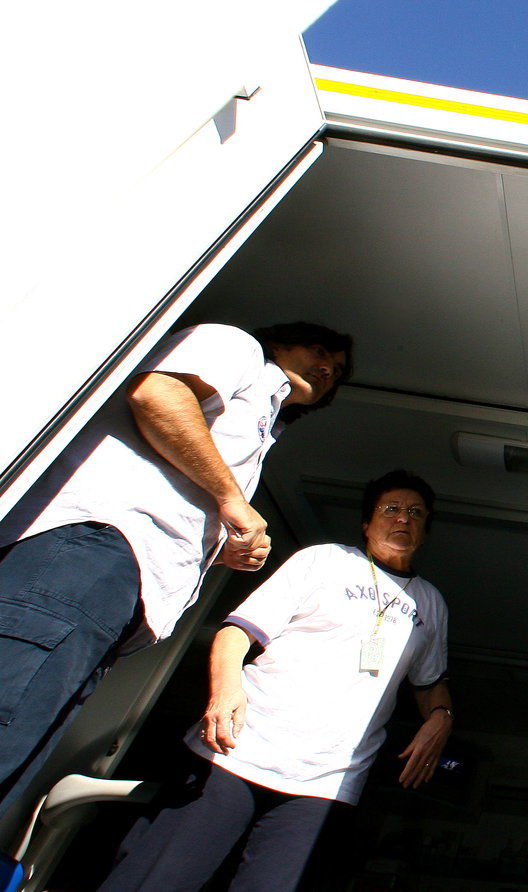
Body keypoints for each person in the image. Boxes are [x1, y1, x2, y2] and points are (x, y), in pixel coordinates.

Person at [0, 321, 352, 821]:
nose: (326, 369)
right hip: (92, 552)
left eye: (337, 370)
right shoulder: (239, 349)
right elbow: (158, 394)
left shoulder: (264, 422)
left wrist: (220, 547)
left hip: (118, 585)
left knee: (21, 741)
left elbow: (184, 496)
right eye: (319, 351)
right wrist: (232, 500)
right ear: (279, 343)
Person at [97, 469, 452, 892]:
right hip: (237, 750)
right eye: (391, 508)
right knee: (159, 879)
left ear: (425, 531)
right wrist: (224, 692)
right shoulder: (324, 561)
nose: (403, 519)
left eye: (416, 513)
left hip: (328, 782)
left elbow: (429, 683)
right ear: (366, 522)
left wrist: (441, 717)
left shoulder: (431, 603)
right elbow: (236, 632)